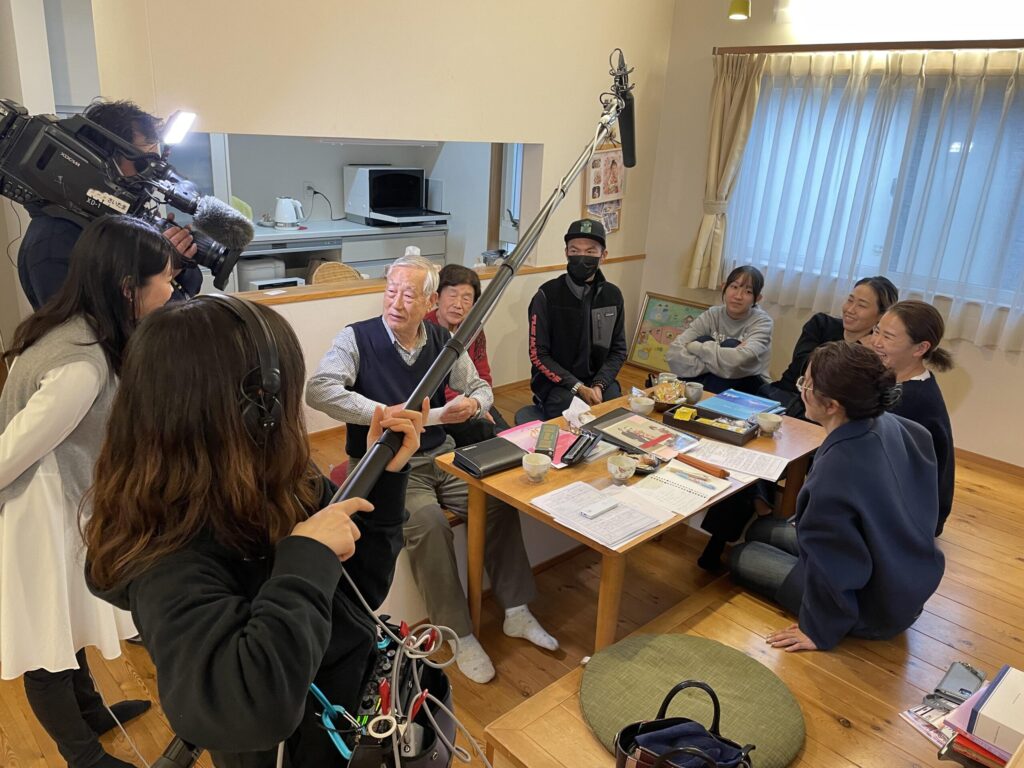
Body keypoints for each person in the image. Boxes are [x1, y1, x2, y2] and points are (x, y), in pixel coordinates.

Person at [84, 296, 425, 767]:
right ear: (255, 410)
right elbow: (251, 709)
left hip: (353, 724)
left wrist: (383, 477)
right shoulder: (165, 558)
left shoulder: (284, 481)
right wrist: (305, 557)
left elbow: (360, 589)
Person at [307, 254, 557, 684]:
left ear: (428, 303)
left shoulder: (443, 340)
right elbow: (319, 390)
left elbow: (480, 386)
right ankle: (457, 633)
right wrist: (383, 413)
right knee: (427, 522)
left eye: (409, 295)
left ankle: (516, 609)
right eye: (391, 291)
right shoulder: (357, 338)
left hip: (441, 453)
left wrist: (473, 404)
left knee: (496, 502)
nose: (396, 302)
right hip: (388, 465)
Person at [0, 215, 178, 768]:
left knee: (68, 622)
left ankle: (92, 713)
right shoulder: (80, 365)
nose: (171, 290)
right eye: (166, 279)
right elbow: (9, 454)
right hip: (40, 511)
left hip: (64, 500)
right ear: (128, 287)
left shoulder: (79, 330)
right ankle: (84, 758)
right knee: (46, 643)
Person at [729, 342, 945, 651]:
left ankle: (834, 619)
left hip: (873, 604)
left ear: (831, 405)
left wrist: (818, 630)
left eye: (806, 385)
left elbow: (839, 567)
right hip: (906, 572)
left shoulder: (836, 473)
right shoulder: (895, 424)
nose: (801, 390)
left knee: (740, 555)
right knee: (760, 530)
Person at [17, 99, 199, 310]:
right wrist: (159, 273)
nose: (150, 176)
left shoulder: (119, 222)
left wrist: (174, 262)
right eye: (142, 163)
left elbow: (189, 287)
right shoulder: (53, 246)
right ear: (102, 161)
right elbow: (95, 327)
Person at [528, 219, 627, 419]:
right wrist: (578, 387)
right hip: (557, 383)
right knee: (574, 415)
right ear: (566, 253)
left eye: (590, 251)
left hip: (597, 380)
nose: (582, 257)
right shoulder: (546, 295)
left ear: (603, 255)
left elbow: (618, 350)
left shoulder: (613, 296)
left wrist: (600, 384)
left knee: (615, 412)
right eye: (575, 251)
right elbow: (538, 354)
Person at [761, 276, 899, 418]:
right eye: (850, 300)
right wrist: (856, 346)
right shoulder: (821, 324)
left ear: (881, 315)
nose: (850, 309)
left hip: (832, 412)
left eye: (862, 305)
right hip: (786, 395)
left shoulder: (878, 349)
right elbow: (802, 365)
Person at [873, 300, 955, 536]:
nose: (876, 342)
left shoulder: (911, 398)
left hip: (911, 518)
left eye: (888, 337)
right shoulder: (904, 380)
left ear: (920, 348)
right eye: (877, 331)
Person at [425, 262, 510, 443]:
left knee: (507, 435)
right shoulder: (425, 329)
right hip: (439, 408)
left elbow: (483, 374)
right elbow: (431, 386)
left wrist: (480, 404)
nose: (458, 305)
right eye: (452, 295)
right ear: (437, 297)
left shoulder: (474, 328)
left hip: (472, 400)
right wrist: (468, 407)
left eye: (466, 299)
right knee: (488, 436)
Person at [665, 265, 772, 394]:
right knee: (704, 339)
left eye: (748, 292)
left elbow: (739, 361)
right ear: (724, 287)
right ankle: (702, 401)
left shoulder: (762, 322)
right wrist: (723, 363)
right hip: (714, 382)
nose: (738, 296)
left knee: (730, 344)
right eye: (734, 287)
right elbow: (673, 353)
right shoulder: (712, 315)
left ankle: (697, 401)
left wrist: (695, 347)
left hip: (750, 386)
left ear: (758, 298)